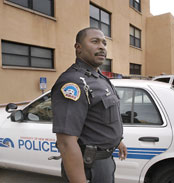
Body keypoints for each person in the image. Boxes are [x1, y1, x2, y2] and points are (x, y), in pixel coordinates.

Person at [51, 27, 127, 183]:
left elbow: (99, 117)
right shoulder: (73, 82)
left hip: (104, 160)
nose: (102, 47)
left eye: (104, 43)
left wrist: (117, 140)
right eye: (95, 41)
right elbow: (66, 142)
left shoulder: (98, 77)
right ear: (78, 48)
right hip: (88, 166)